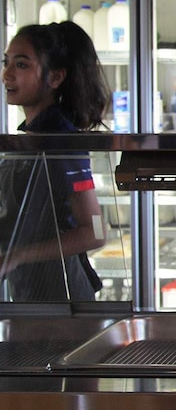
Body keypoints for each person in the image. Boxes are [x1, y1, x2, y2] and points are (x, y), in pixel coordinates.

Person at [0, 21, 110, 302]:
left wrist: (19, 255)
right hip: (29, 294)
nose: (7, 74)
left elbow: (94, 231)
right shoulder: (30, 138)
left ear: (56, 77)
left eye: (21, 65)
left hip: (64, 298)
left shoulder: (62, 141)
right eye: (6, 62)